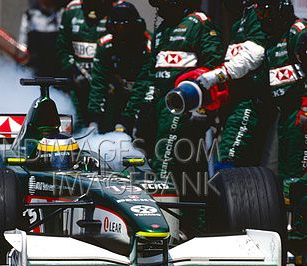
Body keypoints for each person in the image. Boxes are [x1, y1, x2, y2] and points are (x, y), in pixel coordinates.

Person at [147, 0, 224, 182]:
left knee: (167, 158)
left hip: (186, 106)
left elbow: (213, 64)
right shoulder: (162, 29)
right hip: (160, 105)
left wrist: (201, 107)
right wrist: (145, 103)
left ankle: (165, 200)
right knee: (184, 165)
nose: (160, 9)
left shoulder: (199, 22)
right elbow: (150, 70)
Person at [256, 0, 306, 265]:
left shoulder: (297, 32)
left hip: (300, 113)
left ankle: (299, 241)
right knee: (286, 177)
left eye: (265, 11)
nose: (262, 17)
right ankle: (289, 239)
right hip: (283, 115)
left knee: (299, 178)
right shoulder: (271, 41)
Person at [195, 0, 272, 170]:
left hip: (250, 100)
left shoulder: (256, 15)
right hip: (234, 100)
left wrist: (217, 75)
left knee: (230, 153)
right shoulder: (238, 22)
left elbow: (255, 55)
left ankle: (230, 194)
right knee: (230, 154)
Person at [87, 2, 153, 136]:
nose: (121, 31)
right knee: (105, 127)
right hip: (118, 93)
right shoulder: (105, 45)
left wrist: (126, 119)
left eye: (125, 27)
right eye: (116, 26)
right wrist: (94, 119)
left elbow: (143, 84)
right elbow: (98, 83)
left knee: (143, 126)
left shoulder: (148, 46)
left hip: (144, 93)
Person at [57, 0, 115, 129]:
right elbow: (62, 47)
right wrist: (73, 71)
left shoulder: (116, 10)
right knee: (76, 126)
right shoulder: (71, 10)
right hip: (77, 86)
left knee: (106, 130)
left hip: (107, 88)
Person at [19, 0, 66, 77]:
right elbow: (22, 43)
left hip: (56, 69)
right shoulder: (29, 16)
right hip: (35, 69)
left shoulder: (62, 14)